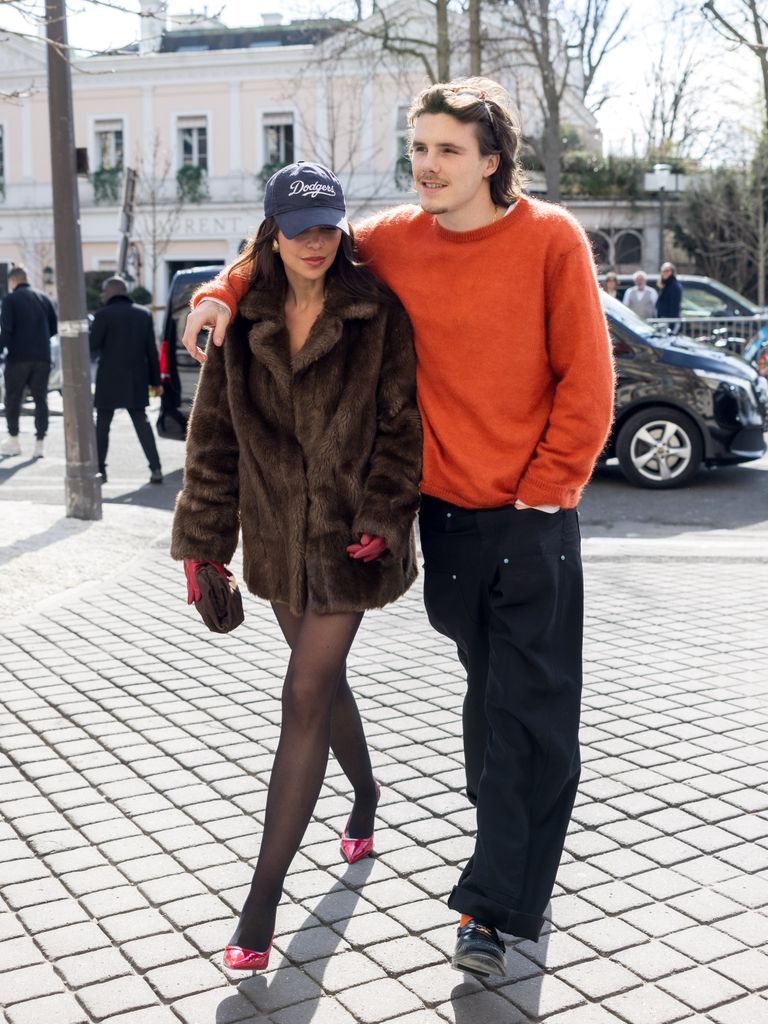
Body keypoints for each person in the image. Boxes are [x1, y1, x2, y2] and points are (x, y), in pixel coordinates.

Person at [181, 79, 614, 979]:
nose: (426, 166)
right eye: (418, 148)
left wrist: (545, 489)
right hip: (447, 520)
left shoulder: (551, 239)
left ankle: (496, 907)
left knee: (530, 720)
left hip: (531, 521)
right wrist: (217, 294)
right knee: (487, 712)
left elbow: (587, 379)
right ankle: (481, 854)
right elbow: (284, 250)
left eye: (447, 151)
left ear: (491, 159)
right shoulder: (389, 241)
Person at [171, 161, 421, 972]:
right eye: (300, 226)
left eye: (328, 225)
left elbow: (401, 428)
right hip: (276, 540)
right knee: (325, 686)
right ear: (273, 229)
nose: (317, 241)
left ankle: (262, 900)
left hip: (351, 542)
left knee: (303, 691)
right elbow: (211, 442)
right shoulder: (244, 320)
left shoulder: (376, 311)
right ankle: (369, 794)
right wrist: (203, 544)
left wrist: (385, 516)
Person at [89, 277, 164, 484]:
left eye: (104, 292)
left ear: (111, 292)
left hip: (109, 380)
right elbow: (151, 351)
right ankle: (156, 468)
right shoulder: (143, 314)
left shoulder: (102, 315)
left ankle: (100, 471)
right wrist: (156, 382)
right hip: (136, 379)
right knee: (142, 424)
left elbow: (91, 345)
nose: (102, 295)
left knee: (102, 426)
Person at [0, 266, 57, 459]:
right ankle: (40, 443)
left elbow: (6, 331)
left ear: (12, 281)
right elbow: (53, 328)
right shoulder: (44, 298)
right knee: (41, 400)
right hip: (43, 357)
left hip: (18, 357)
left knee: (13, 399)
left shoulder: (10, 300)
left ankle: (14, 440)